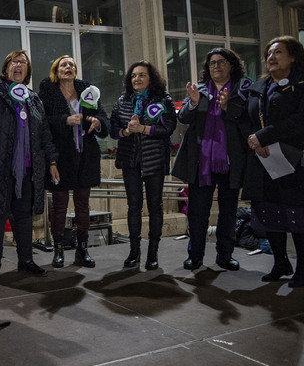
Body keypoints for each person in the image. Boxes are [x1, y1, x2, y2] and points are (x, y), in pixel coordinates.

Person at [0, 46, 57, 281]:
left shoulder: (33, 99)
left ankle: (26, 261)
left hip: (28, 171)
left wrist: (52, 161)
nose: (18, 65)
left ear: (27, 71)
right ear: (6, 69)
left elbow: (44, 133)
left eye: (22, 62)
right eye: (13, 61)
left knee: (24, 217)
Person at [244, 36, 304, 287]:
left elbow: (303, 119)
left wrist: (263, 136)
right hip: (264, 158)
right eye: (268, 53)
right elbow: (249, 119)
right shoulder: (258, 86)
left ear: (293, 56)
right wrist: (256, 140)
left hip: (295, 158)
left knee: (297, 214)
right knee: (270, 212)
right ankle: (280, 262)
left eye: (278, 52)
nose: (271, 57)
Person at [172, 48, 252, 271]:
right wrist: (194, 103)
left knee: (228, 212)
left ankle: (225, 256)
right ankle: (195, 256)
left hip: (230, 161)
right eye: (211, 63)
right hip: (201, 162)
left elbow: (247, 120)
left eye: (221, 62)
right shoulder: (199, 89)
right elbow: (184, 118)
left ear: (232, 65)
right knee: (198, 212)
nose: (215, 66)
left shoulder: (242, 90)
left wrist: (228, 107)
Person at [37, 55, 110, 268]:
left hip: (85, 156)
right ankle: (58, 251)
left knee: (83, 205)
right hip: (60, 158)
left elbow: (103, 117)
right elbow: (42, 123)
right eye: (63, 65)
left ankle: (82, 250)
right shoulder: (48, 92)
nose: (68, 67)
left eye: (71, 65)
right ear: (56, 71)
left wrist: (97, 122)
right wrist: (65, 120)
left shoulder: (87, 91)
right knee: (59, 205)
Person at [110, 61, 178, 270]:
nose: (137, 79)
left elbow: (168, 128)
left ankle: (153, 253)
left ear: (151, 78)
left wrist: (143, 129)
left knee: (155, 206)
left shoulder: (163, 99)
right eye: (133, 75)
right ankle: (134, 251)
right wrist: (127, 131)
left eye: (142, 75)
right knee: (133, 206)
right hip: (130, 160)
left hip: (154, 159)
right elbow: (113, 129)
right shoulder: (122, 101)